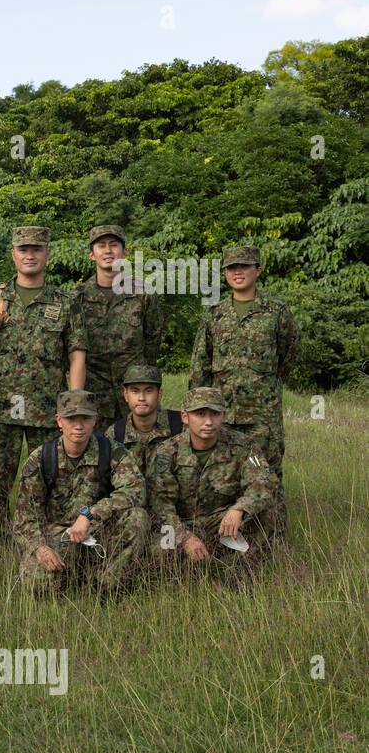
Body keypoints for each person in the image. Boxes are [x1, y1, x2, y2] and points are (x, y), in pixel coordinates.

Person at [0, 226, 86, 524]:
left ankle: (48, 535)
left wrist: (74, 406)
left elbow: (77, 354)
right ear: (13, 255)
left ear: (47, 253)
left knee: (50, 478)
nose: (29, 255)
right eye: (23, 250)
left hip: (45, 408)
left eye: (36, 249)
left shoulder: (65, 301)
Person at [188, 245, 299, 535]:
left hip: (262, 417)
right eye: (231, 268)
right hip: (220, 415)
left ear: (258, 270)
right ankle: (224, 541)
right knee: (223, 479)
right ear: (225, 274)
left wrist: (264, 387)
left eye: (244, 266)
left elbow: (288, 355)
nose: (237, 272)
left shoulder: (276, 312)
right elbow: (200, 364)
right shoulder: (214, 314)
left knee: (267, 475)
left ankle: (273, 543)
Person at [14, 390, 147, 595]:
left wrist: (91, 514)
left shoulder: (112, 451)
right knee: (36, 585)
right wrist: (40, 548)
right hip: (59, 535)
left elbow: (135, 489)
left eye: (85, 418)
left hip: (99, 532)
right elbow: (24, 519)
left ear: (95, 420)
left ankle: (106, 585)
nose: (78, 425)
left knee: (137, 517)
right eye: (70, 418)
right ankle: (75, 576)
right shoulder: (42, 458)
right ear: (59, 421)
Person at [148, 386, 278, 578]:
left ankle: (240, 573)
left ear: (223, 415)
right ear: (185, 417)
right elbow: (161, 504)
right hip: (183, 524)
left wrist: (239, 509)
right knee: (160, 554)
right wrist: (186, 538)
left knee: (263, 513)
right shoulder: (166, 452)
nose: (208, 422)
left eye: (215, 414)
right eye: (200, 414)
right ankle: (191, 574)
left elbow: (264, 482)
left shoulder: (244, 446)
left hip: (222, 523)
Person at [73, 225, 163, 431]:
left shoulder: (143, 293)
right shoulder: (77, 297)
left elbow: (153, 340)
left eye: (114, 245)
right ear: (91, 255)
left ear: (125, 253)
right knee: (97, 453)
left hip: (134, 390)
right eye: (101, 246)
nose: (108, 251)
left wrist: (144, 381)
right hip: (94, 390)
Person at [103, 364, 183, 480]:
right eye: (135, 391)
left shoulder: (179, 426)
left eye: (149, 391)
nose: (141, 398)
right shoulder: (115, 433)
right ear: (126, 395)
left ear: (159, 395)